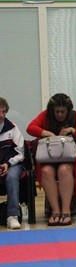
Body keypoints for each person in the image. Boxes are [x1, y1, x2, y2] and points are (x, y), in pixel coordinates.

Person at [27, 93, 76, 226]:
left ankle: (66, 210)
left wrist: (73, 131)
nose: (60, 115)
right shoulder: (45, 116)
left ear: (68, 110)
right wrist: (47, 133)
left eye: (63, 112)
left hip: (72, 157)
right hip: (49, 157)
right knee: (46, 171)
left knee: (64, 170)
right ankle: (55, 211)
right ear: (52, 110)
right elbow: (30, 128)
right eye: (57, 112)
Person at [0, 97, 25, 230]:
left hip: (12, 164)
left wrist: (8, 164)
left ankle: (12, 216)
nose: (1, 115)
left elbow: (20, 153)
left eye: (3, 112)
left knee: (11, 176)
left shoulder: (13, 128)